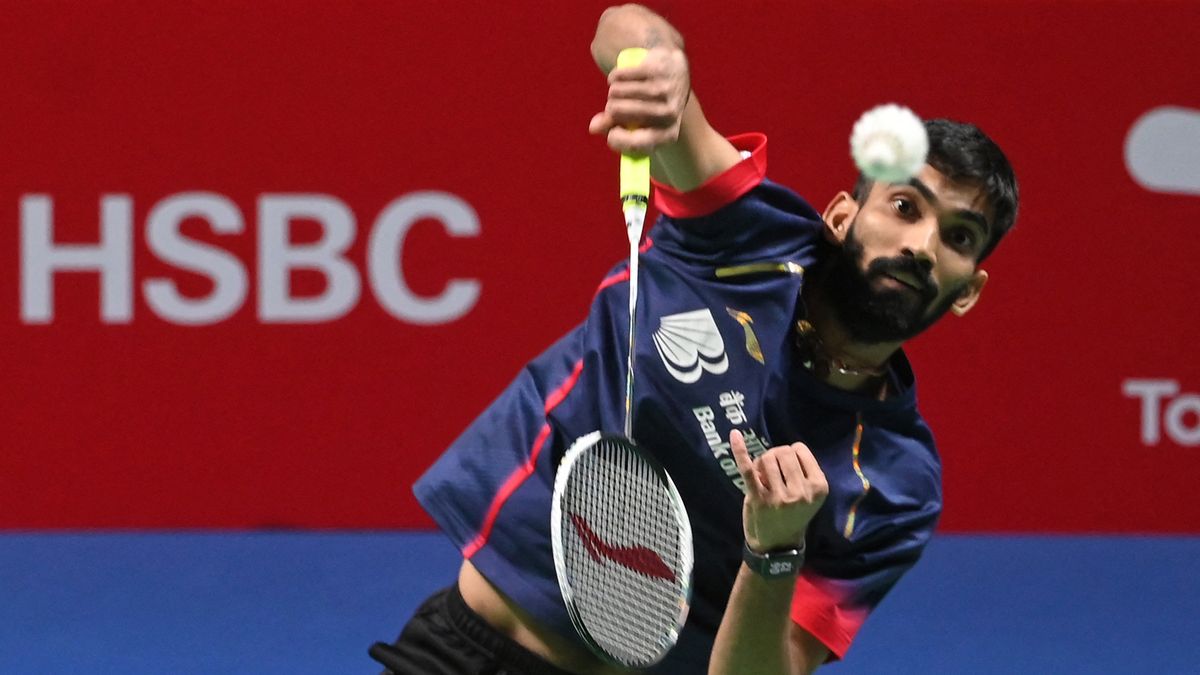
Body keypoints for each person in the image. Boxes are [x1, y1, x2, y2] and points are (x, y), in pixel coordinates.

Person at [372, 4, 1018, 674]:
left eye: (957, 237)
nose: (920, 246)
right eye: (905, 208)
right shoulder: (745, 236)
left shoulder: (892, 481)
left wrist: (773, 552)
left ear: (968, 288)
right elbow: (621, 28)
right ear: (840, 215)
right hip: (462, 650)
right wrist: (658, 64)